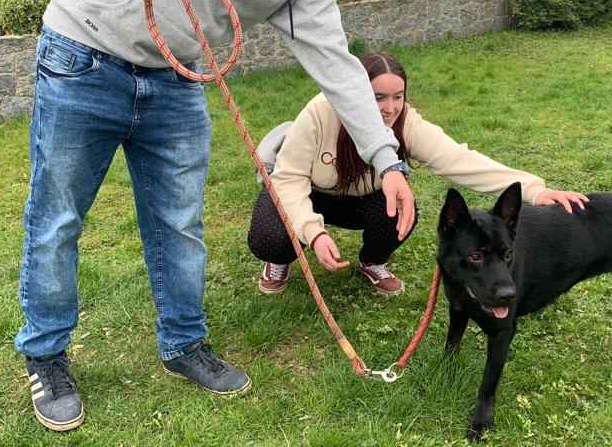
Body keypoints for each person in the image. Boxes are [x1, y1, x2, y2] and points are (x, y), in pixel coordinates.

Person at [14, 0, 418, 432]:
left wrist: (387, 159)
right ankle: (45, 355)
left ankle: (183, 346)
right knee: (58, 217)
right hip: (83, 53)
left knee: (179, 223)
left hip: (178, 80)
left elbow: (339, 66)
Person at [247, 52, 589, 297]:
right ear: (354, 93)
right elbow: (288, 178)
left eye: (398, 96)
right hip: (308, 192)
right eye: (378, 97)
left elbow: (457, 159)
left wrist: (533, 189)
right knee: (271, 237)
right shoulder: (322, 111)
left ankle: (372, 262)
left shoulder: (405, 121)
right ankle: (278, 262)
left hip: (360, 199)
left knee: (402, 212)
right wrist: (314, 233)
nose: (390, 107)